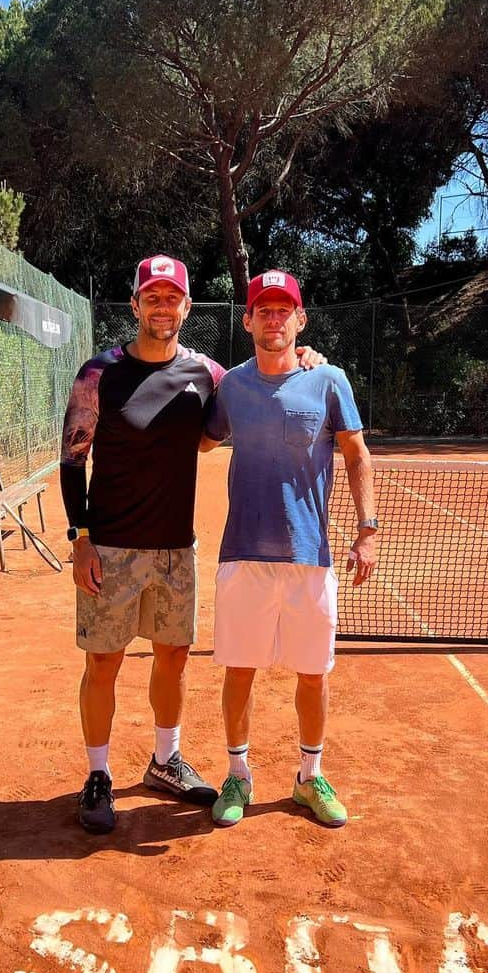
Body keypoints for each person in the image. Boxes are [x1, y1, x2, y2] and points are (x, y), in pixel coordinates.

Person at [60, 255, 324, 834]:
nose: (161, 305)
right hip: (109, 548)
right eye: (150, 296)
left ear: (186, 307)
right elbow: (72, 459)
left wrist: (306, 360)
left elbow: (265, 381)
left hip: (178, 550)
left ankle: (165, 760)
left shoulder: (209, 374)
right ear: (134, 306)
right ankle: (99, 774)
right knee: (103, 662)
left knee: (173, 658)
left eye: (171, 297)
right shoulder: (97, 374)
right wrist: (80, 537)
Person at [201, 269, 378, 830]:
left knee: (313, 673)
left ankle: (309, 778)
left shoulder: (328, 380)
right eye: (263, 309)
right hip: (243, 556)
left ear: (300, 320)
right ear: (247, 319)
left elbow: (356, 454)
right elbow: (195, 441)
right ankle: (238, 776)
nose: (273, 319)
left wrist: (367, 529)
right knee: (239, 669)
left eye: (285, 310)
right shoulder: (229, 386)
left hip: (310, 557)